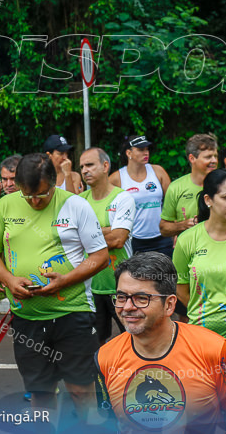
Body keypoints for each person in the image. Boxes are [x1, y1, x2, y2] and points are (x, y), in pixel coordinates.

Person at [0, 153, 109, 421]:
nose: (35, 201)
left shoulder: (76, 205)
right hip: (27, 318)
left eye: (41, 194)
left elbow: (100, 257)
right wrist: (8, 279)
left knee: (80, 391)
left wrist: (65, 281)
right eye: (27, 195)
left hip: (72, 314)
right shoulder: (5, 205)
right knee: (40, 392)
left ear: (54, 184)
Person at [95, 253, 226, 432]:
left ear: (169, 305)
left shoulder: (215, 349)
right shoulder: (104, 357)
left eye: (141, 298)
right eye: (122, 297)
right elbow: (110, 420)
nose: (127, 307)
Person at [173, 168, 226, 367]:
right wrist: (205, 310)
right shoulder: (187, 240)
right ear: (208, 200)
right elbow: (180, 287)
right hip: (201, 339)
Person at [79, 147, 134, 345]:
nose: (85, 170)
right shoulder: (79, 201)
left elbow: (118, 239)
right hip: (89, 288)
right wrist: (106, 229)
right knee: (95, 344)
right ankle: (101, 376)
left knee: (131, 340)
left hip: (120, 286)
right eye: (82, 166)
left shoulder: (123, 198)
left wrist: (87, 233)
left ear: (105, 166)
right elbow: (71, 238)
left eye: (90, 165)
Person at [110, 135, 172, 255]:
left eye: (147, 149)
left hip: (162, 238)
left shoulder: (158, 171)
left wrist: (174, 231)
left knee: (166, 273)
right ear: (129, 153)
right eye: (141, 150)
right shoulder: (117, 178)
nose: (146, 153)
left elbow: (173, 203)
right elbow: (107, 208)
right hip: (134, 240)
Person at [159, 133, 218, 239]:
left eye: (215, 156)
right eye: (208, 157)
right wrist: (183, 225)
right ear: (192, 158)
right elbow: (164, 228)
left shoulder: (224, 183)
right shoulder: (176, 187)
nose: (214, 161)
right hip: (188, 250)